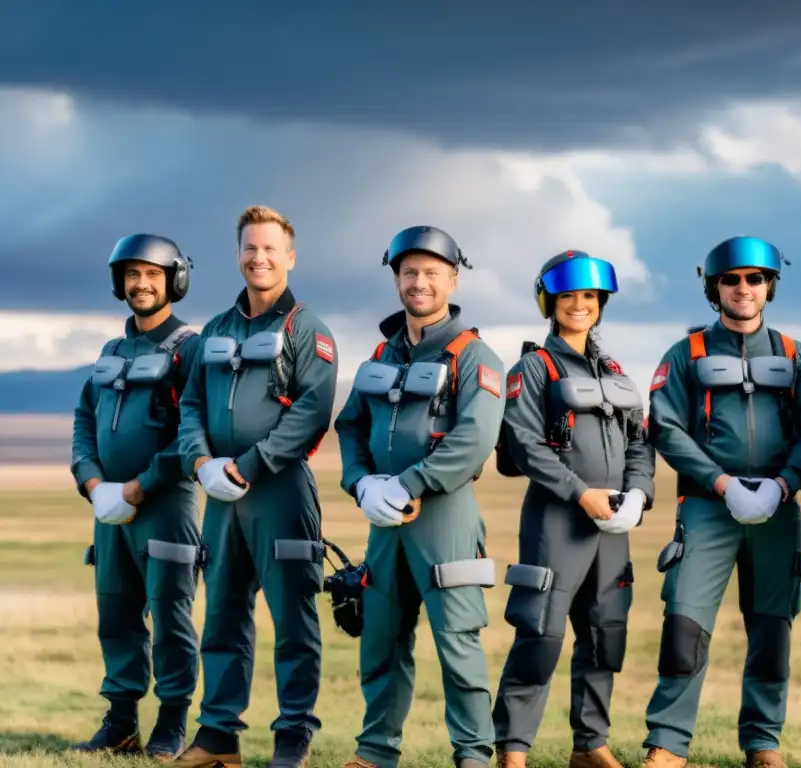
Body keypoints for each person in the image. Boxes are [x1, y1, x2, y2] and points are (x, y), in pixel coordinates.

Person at [640, 237, 801, 768]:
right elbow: (666, 428)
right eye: (731, 279)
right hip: (707, 508)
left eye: (754, 278)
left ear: (770, 285)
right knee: (684, 626)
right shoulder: (686, 354)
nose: (743, 289)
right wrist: (721, 483)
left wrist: (785, 484)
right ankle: (668, 743)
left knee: (772, 629)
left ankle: (763, 743)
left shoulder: (798, 355)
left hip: (778, 508)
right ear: (714, 288)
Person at [170, 205, 339, 768]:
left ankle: (293, 737)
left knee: (293, 620)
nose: (259, 257)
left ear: (290, 257)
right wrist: (201, 466)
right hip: (219, 497)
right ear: (238, 254)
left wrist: (248, 465)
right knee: (221, 616)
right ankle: (218, 736)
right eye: (249, 248)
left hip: (280, 493)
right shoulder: (215, 330)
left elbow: (313, 412)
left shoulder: (307, 328)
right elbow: (190, 404)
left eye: (270, 249)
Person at [335, 225, 506, 768]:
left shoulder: (476, 357)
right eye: (409, 272)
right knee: (381, 642)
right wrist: (362, 483)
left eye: (432, 272)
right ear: (396, 279)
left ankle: (474, 755)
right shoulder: (381, 355)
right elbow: (350, 428)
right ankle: (374, 752)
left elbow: (474, 440)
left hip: (445, 520)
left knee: (458, 645)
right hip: (383, 524)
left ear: (453, 279)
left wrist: (408, 484)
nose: (420, 282)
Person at [490, 250, 656, 768]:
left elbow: (639, 442)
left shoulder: (616, 371)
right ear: (550, 302)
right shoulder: (533, 369)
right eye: (568, 296)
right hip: (557, 519)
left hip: (613, 524)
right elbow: (524, 445)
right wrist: (579, 492)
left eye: (589, 296)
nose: (579, 305)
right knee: (541, 634)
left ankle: (590, 745)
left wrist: (637, 494)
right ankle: (513, 750)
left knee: (605, 634)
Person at [69, 234, 203, 761]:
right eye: (131, 275)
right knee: (116, 614)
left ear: (175, 280)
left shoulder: (191, 349)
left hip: (166, 507)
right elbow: (84, 419)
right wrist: (93, 483)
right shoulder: (112, 352)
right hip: (109, 511)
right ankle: (121, 723)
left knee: (171, 615)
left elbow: (195, 431)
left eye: (152, 274)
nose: (140, 284)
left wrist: (139, 486)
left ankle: (171, 723)